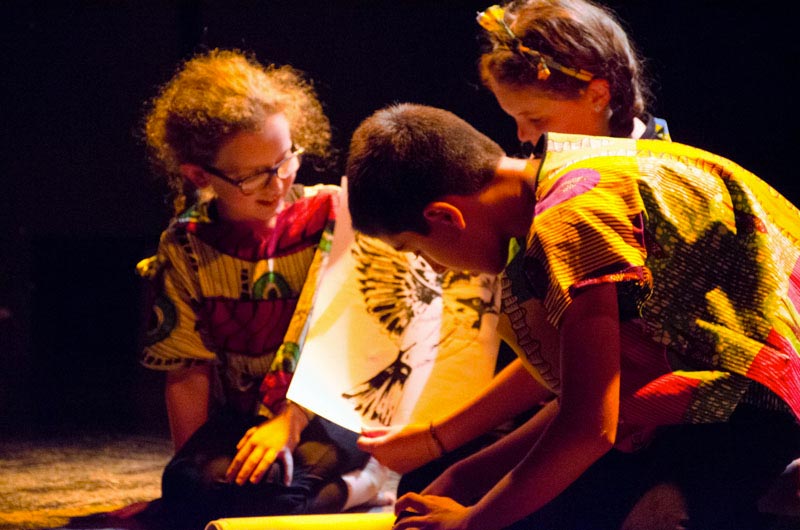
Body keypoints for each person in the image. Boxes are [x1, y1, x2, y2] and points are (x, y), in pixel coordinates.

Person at [347, 102, 800, 530]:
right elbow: (594, 391)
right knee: (453, 494)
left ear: (444, 216)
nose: (437, 269)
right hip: (731, 397)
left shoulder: (572, 218)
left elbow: (589, 426)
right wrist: (462, 480)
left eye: (416, 250)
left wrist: (470, 522)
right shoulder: (568, 170)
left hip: (769, 405)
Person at [361, 0, 672, 498]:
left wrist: (449, 453)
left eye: (536, 118)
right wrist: (441, 443)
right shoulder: (564, 180)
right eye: (515, 119)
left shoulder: (607, 198)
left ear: (597, 94)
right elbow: (567, 349)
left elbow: (590, 380)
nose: (524, 138)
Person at [122, 49, 388, 530]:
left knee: (282, 494)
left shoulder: (334, 217)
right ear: (200, 177)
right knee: (191, 486)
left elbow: (354, 346)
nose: (279, 181)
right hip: (245, 416)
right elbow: (187, 372)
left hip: (326, 410)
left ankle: (361, 483)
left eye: (285, 158)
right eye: (251, 175)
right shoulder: (186, 244)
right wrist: (186, 478)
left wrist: (288, 423)